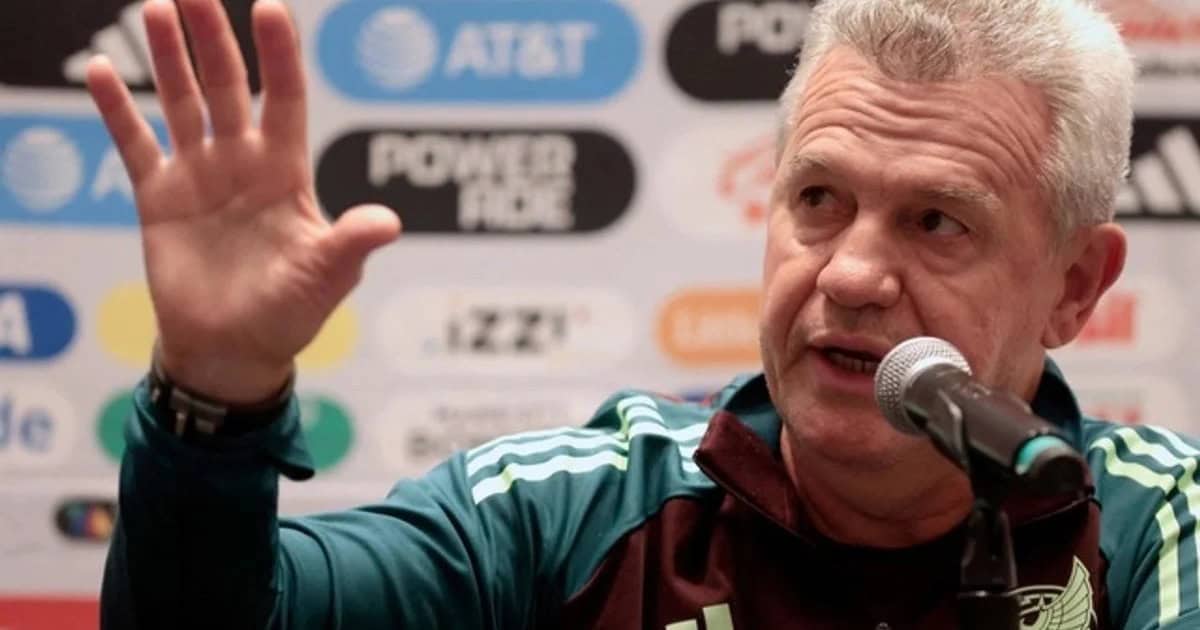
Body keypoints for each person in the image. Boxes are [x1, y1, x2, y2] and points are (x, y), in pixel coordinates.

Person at [88, 0, 1200, 628]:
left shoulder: (1161, 524)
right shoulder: (568, 511)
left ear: (1074, 287)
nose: (853, 275)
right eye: (819, 200)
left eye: (937, 221)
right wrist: (214, 398)